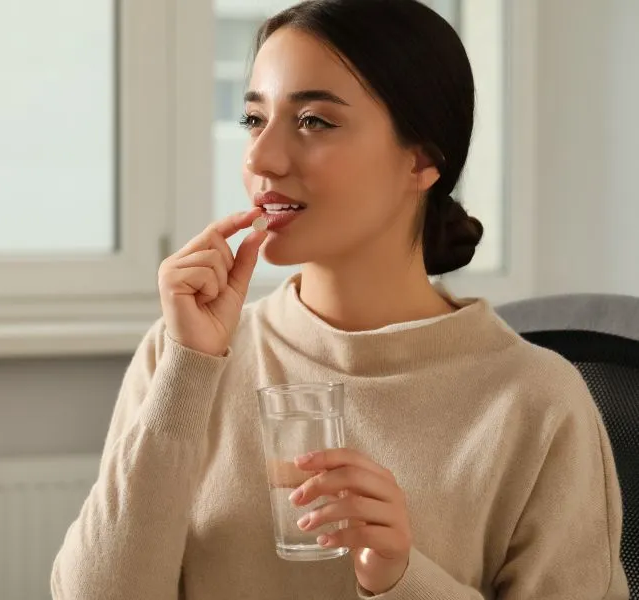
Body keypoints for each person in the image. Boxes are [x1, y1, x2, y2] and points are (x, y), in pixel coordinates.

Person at [51, 0, 629, 598]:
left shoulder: (536, 404)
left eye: (314, 122)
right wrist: (187, 372)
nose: (260, 158)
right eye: (254, 120)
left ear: (422, 159)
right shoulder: (185, 357)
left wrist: (403, 579)